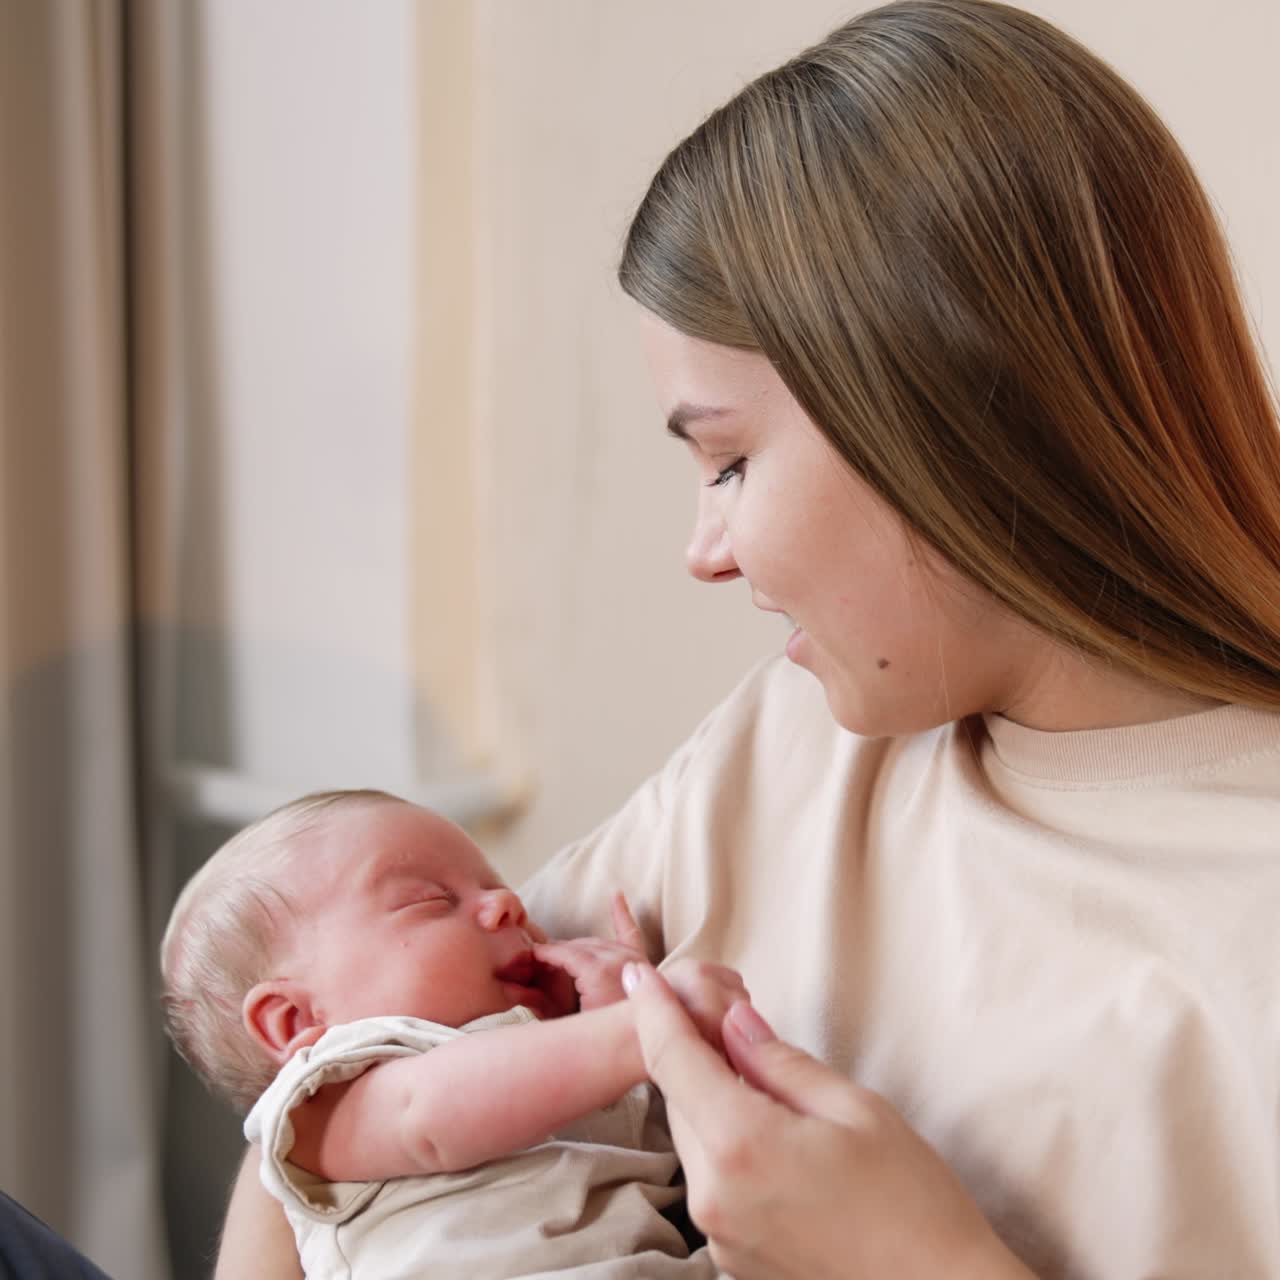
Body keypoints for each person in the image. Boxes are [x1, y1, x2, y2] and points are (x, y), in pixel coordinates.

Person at [219, 1, 1280, 1276]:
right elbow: (328, 1079)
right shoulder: (796, 740)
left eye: (725, 460)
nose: (703, 550)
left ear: (937, 428)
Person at [161, 789, 738, 1277]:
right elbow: (430, 1113)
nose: (508, 903)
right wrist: (636, 1031)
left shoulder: (557, 1048)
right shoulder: (329, 1097)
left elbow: (660, 1163)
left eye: (497, 884)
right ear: (296, 1020)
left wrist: (617, 1010)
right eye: (432, 899)